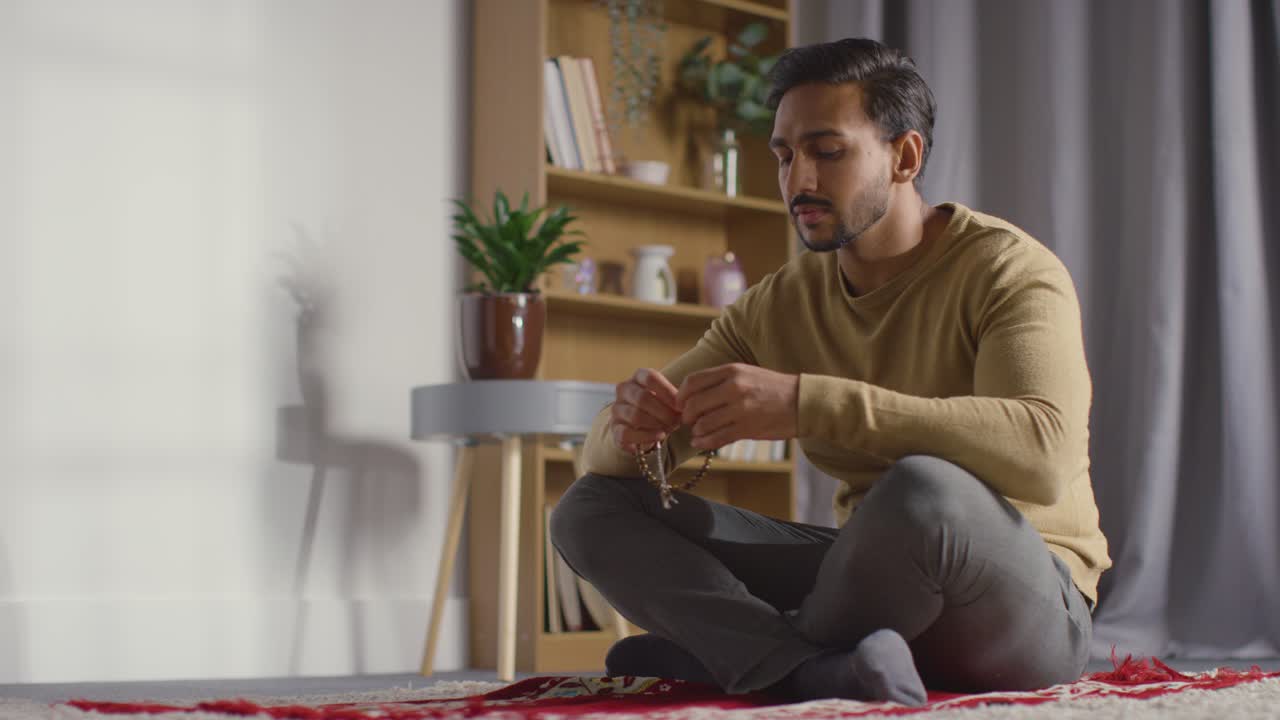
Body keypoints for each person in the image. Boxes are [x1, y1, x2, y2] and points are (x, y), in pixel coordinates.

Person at [549, 37, 1111, 706]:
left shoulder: (1009, 270)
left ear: (905, 156)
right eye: (784, 156)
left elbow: (1043, 455)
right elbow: (603, 461)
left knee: (923, 492)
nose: (798, 182)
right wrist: (632, 424)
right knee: (588, 508)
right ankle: (806, 669)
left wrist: (809, 404)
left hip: (1025, 599)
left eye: (827, 151)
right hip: (868, 581)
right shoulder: (782, 302)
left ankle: (747, 655)